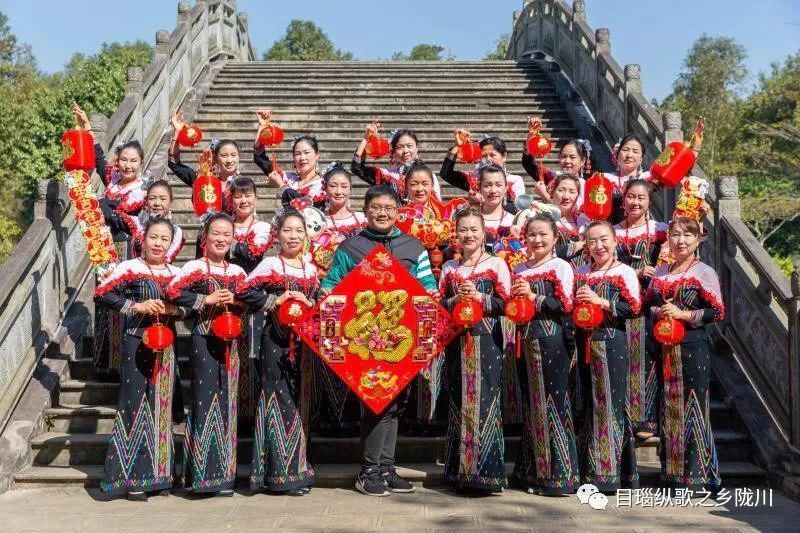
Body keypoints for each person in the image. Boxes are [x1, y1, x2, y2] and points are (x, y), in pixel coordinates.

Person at [321, 184, 437, 497]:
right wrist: (326, 293)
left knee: (395, 404)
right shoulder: (351, 248)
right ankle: (368, 471)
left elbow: (428, 289)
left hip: (401, 340)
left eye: (388, 208)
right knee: (375, 404)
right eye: (376, 207)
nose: (382, 213)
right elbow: (331, 287)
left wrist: (432, 295)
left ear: (398, 211)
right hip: (363, 341)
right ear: (366, 210)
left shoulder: (413, 247)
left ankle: (386, 468)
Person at [93, 218, 183, 501]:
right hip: (137, 341)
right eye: (153, 237)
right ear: (142, 240)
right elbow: (102, 293)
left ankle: (159, 476)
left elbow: (189, 309)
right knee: (136, 405)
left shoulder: (177, 274)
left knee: (162, 405)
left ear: (171, 244)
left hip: (166, 344)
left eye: (164, 239)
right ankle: (130, 478)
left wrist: (174, 310)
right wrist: (136, 306)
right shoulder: (130, 268)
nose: (158, 243)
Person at [237, 210, 318, 496]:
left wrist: (309, 301)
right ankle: (279, 474)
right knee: (279, 400)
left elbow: (320, 302)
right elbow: (243, 290)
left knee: (299, 400)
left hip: (303, 346)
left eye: (298, 231)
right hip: (275, 342)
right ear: (277, 234)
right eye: (287, 230)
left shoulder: (310, 267)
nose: (293, 236)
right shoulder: (271, 263)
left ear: (306, 235)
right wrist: (275, 299)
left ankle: (298, 467)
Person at [166, 213, 246, 496]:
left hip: (231, 345)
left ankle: (225, 476)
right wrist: (204, 300)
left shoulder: (237, 272)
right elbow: (172, 291)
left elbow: (251, 300)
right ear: (205, 237)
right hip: (204, 339)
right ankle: (200, 476)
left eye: (227, 234)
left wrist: (236, 301)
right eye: (216, 233)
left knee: (228, 403)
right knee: (204, 400)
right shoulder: (195, 266)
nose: (222, 239)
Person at [645, 216, 723, 492]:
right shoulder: (661, 272)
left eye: (687, 236)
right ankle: (672, 474)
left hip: (692, 345)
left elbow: (716, 312)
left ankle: (699, 476)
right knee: (669, 408)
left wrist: (683, 314)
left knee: (694, 407)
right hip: (664, 348)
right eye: (676, 235)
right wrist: (659, 311)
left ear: (698, 239)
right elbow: (647, 305)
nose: (680, 240)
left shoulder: (704, 272)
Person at [439, 207, 511, 492]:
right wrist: (456, 298)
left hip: (487, 340)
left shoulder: (496, 265)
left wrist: (481, 297)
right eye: (463, 230)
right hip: (458, 341)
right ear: (455, 234)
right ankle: (460, 472)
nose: (468, 235)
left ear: (484, 233)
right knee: (460, 401)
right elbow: (438, 307)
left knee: (485, 402)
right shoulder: (449, 268)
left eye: (474, 229)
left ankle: (487, 474)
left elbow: (508, 305)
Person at [511, 214, 579, 495]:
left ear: (555, 238)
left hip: (552, 340)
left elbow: (565, 303)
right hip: (525, 340)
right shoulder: (519, 268)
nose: (537, 240)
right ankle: (534, 472)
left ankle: (559, 475)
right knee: (532, 404)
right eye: (532, 235)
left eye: (543, 235)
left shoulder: (560, 266)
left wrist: (532, 297)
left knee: (553, 403)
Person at [573, 220, 641, 492]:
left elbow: (634, 307)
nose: (598, 246)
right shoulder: (580, 273)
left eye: (603, 240)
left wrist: (601, 302)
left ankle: (611, 473)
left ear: (615, 241)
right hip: (586, 343)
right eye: (592, 241)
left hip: (612, 341)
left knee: (611, 403)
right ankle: (590, 468)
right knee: (590, 402)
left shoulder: (624, 272)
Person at [613, 179, 669, 440]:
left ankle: (647, 419)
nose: (635, 202)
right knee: (624, 357)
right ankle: (624, 414)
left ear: (649, 202)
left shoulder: (661, 231)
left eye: (641, 198)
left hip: (651, 304)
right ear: (623, 200)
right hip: (620, 302)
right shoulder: (611, 233)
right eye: (631, 197)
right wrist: (634, 272)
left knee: (647, 358)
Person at [72, 102, 148, 215]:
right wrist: (87, 126)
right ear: (117, 161)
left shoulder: (140, 192)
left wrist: (95, 205)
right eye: (124, 160)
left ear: (141, 163)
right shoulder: (113, 179)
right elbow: (99, 158)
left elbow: (120, 219)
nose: (128, 166)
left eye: (133, 161)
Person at [351, 122, 442, 200]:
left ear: (417, 148)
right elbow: (357, 168)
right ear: (393, 151)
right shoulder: (387, 176)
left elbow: (437, 203)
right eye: (400, 147)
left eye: (409, 146)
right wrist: (366, 139)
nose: (405, 151)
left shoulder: (429, 176)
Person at [253, 112, 325, 208]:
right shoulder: (289, 178)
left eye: (307, 153)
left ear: (317, 155)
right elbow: (260, 159)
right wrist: (262, 127)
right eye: (297, 154)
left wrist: (282, 186)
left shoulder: (323, 184)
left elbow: (305, 209)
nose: (302, 158)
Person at [440, 130, 525, 206]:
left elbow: (517, 208)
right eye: (484, 156)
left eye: (492, 155)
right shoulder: (474, 179)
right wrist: (457, 146)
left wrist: (484, 202)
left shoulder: (514, 180)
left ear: (504, 156)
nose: (488, 159)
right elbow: (446, 174)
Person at [169, 109, 243, 196]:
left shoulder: (245, 184)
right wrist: (177, 133)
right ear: (215, 158)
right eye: (224, 155)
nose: (229, 160)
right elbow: (174, 163)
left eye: (233, 155)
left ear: (239, 157)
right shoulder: (203, 178)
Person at [550, 175, 588, 269]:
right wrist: (578, 245)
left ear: (578, 196)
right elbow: (539, 252)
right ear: (553, 193)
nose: (566, 196)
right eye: (561, 190)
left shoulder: (585, 222)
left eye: (572, 192)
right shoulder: (545, 221)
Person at [322, 162, 367, 238]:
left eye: (344, 186)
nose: (338, 192)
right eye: (333, 186)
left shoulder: (362, 219)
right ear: (325, 188)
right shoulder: (320, 221)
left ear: (350, 189)